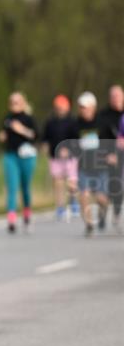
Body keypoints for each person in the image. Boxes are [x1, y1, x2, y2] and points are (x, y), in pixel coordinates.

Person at [74, 92, 117, 237]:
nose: (83, 110)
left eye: (85, 107)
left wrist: (112, 154)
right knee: (84, 195)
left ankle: (103, 214)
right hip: (84, 166)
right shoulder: (76, 124)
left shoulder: (103, 123)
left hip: (101, 166)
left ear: (93, 107)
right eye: (81, 107)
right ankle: (89, 225)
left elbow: (114, 140)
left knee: (101, 198)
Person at [0, 92, 38, 234]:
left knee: (25, 186)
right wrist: (2, 136)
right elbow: (3, 134)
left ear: (23, 103)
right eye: (12, 102)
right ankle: (11, 218)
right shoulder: (7, 119)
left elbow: (35, 136)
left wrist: (21, 130)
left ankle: (27, 211)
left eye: (17, 102)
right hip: (11, 155)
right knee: (12, 186)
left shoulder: (28, 119)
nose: (14, 105)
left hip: (27, 156)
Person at [41, 95, 80, 222]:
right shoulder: (50, 122)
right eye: (58, 107)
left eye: (62, 107)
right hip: (55, 156)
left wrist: (68, 149)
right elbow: (45, 138)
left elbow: (77, 139)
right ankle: (60, 206)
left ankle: (73, 202)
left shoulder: (72, 122)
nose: (60, 110)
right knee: (57, 182)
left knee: (71, 182)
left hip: (70, 157)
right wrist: (45, 147)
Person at [97, 84, 123, 232]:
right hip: (107, 156)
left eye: (118, 95)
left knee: (119, 186)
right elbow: (99, 138)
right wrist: (107, 155)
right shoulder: (103, 116)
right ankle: (102, 214)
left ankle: (117, 214)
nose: (116, 99)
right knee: (103, 188)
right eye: (113, 96)